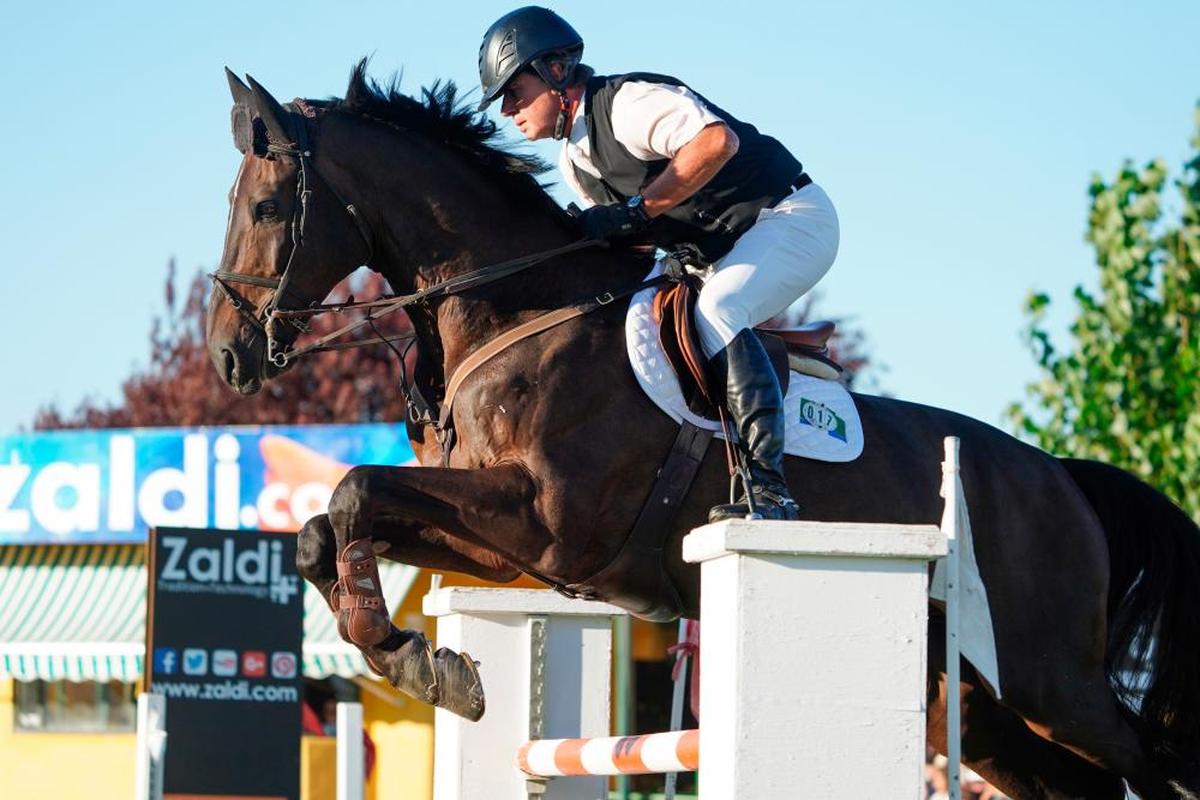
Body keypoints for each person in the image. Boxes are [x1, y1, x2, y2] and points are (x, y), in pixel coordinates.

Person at [477, 7, 839, 521]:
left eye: (514, 91)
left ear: (556, 71)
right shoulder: (574, 164)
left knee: (720, 307)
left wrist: (636, 209)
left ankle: (770, 488)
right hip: (719, 254)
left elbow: (717, 142)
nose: (507, 110)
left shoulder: (626, 102)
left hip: (788, 217)